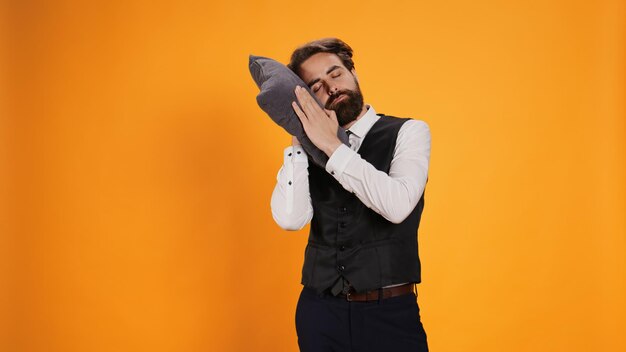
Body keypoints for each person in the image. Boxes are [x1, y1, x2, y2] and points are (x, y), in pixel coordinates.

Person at [270, 37, 431, 352]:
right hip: (320, 313)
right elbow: (290, 219)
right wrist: (299, 142)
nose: (330, 88)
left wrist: (332, 145)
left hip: (390, 315)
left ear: (353, 72)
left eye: (335, 74)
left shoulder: (409, 132)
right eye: (315, 87)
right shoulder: (308, 147)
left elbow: (397, 206)